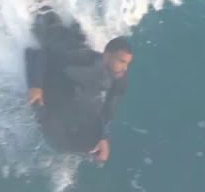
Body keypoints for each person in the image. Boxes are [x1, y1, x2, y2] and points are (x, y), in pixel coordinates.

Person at [26, 35, 133, 164]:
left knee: (89, 143)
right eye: (121, 61)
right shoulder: (86, 60)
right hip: (54, 80)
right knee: (53, 137)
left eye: (127, 63)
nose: (125, 68)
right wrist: (36, 85)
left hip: (75, 94)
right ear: (107, 56)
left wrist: (103, 137)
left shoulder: (120, 80)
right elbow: (43, 52)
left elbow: (108, 110)